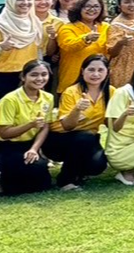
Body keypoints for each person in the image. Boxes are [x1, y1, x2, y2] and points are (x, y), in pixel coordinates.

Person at [0, 59, 55, 196]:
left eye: (44, 74)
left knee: (43, 183)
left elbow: (45, 127)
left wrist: (34, 149)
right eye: (34, 75)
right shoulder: (9, 100)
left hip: (28, 145)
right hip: (4, 146)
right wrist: (31, 124)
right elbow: (4, 133)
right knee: (13, 190)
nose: (40, 78)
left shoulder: (48, 97)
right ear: (23, 77)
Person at [0, 0, 43, 132]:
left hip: (27, 77)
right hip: (0, 77)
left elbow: (40, 51)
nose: (25, 3)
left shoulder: (35, 23)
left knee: (23, 118)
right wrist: (1, 46)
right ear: (10, 1)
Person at [46, 54, 111, 190]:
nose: (96, 74)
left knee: (98, 165)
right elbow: (67, 126)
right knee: (84, 137)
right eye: (91, 70)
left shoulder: (112, 92)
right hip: (59, 139)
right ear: (82, 71)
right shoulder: (71, 92)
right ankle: (65, 180)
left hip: (88, 138)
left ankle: (79, 172)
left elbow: (110, 122)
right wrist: (77, 109)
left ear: (107, 72)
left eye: (100, 70)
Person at [56, 0, 112, 95]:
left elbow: (110, 51)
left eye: (96, 6)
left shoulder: (106, 27)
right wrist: (86, 39)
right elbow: (68, 46)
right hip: (72, 81)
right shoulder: (67, 28)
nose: (92, 9)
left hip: (99, 82)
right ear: (79, 8)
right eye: (87, 6)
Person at [32, 0, 62, 66]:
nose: (43, 2)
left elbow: (53, 52)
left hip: (47, 61)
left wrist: (52, 36)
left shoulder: (58, 23)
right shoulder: (24, 20)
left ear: (53, 1)